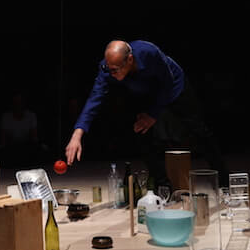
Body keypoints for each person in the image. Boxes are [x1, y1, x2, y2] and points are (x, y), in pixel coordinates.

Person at [65, 40, 228, 187]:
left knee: (199, 131)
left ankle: (224, 181)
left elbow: (168, 82)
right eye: (109, 69)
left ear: (129, 60)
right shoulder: (108, 69)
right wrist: (77, 134)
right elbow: (95, 98)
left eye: (114, 70)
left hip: (173, 87)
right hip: (145, 92)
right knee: (141, 134)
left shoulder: (148, 52)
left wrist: (153, 115)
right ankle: (164, 186)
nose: (111, 74)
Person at [0, 91, 48, 168]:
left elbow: (34, 137)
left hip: (26, 146)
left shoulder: (31, 116)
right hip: (11, 147)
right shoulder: (6, 117)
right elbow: (3, 139)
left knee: (39, 150)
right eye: (16, 102)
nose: (18, 105)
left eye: (20, 102)